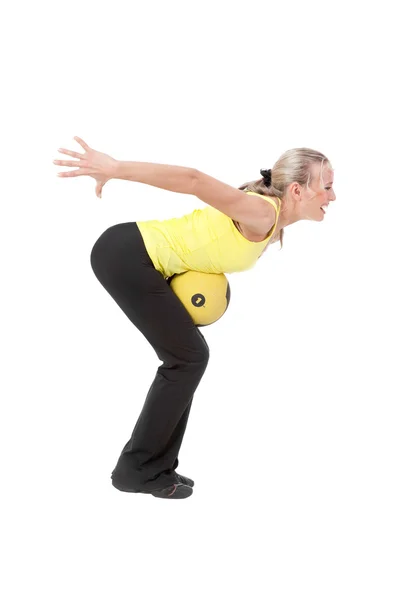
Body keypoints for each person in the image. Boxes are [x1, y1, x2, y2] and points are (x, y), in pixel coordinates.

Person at [53, 137, 336, 500]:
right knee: (187, 359)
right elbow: (193, 179)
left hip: (138, 258)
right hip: (126, 255)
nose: (332, 197)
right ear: (298, 189)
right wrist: (116, 168)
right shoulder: (263, 212)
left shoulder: (272, 221)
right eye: (326, 187)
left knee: (188, 359)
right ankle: (135, 469)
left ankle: (157, 468)